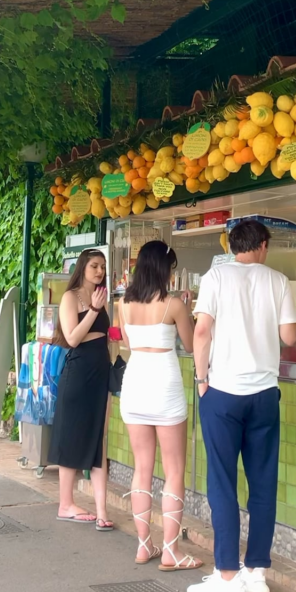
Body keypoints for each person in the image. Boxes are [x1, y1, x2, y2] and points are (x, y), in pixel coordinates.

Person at [187, 219, 296, 592]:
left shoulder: (215, 278)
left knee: (222, 481)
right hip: (265, 393)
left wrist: (201, 379)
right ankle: (256, 572)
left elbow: (202, 332)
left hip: (223, 391)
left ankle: (227, 576)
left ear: (232, 245)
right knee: (263, 483)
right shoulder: (280, 281)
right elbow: (289, 337)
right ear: (263, 245)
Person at [118, 241, 203, 572]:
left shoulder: (124, 303)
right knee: (174, 470)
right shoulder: (173, 305)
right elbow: (191, 343)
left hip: (135, 382)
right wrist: (190, 309)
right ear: (163, 269)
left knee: (142, 467)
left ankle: (144, 545)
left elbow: (127, 342)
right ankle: (171, 551)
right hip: (164, 385)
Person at [48, 248, 114, 531]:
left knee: (98, 437)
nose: (99, 272)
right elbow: (73, 338)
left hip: (101, 370)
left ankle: (101, 511)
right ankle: (66, 503)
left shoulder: (102, 297)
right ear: (82, 268)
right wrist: (95, 310)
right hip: (78, 372)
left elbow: (105, 334)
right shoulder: (70, 297)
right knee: (72, 434)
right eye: (94, 266)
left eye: (102, 267)